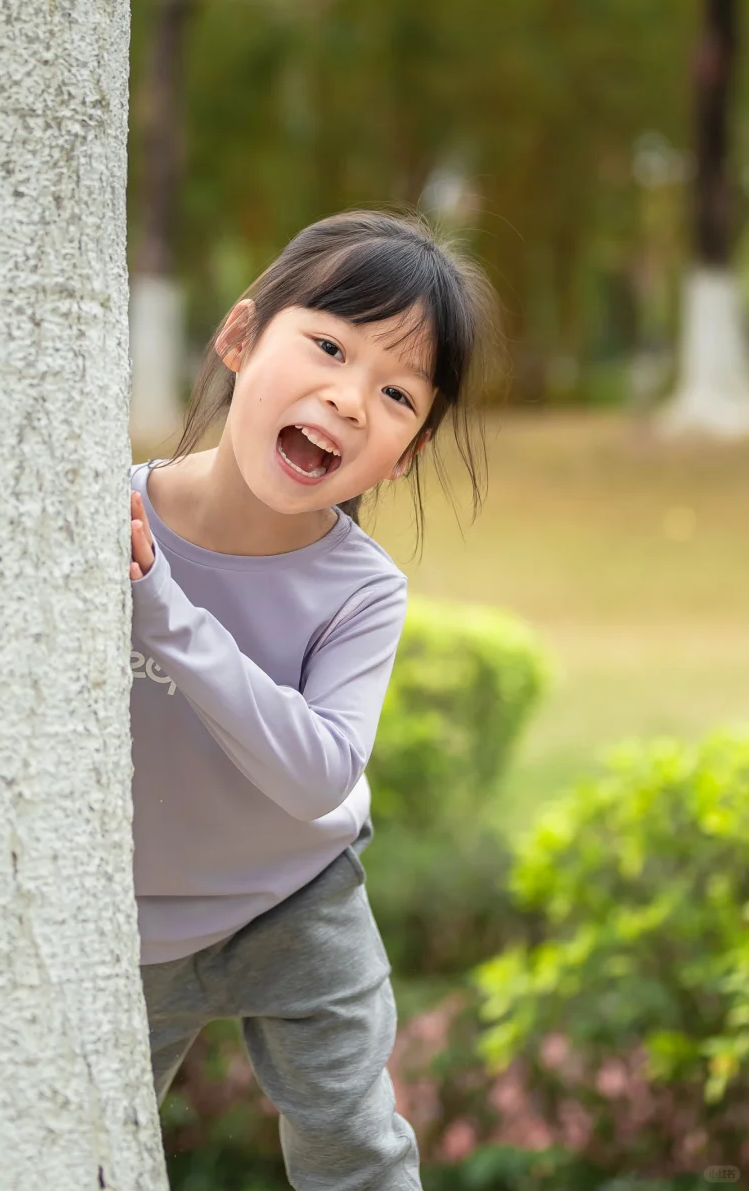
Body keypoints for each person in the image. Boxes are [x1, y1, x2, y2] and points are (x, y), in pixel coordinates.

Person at [128, 210, 499, 1190]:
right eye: (328, 346)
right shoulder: (106, 518)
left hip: (298, 896)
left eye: (396, 393)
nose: (346, 397)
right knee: (86, 1139)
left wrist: (162, 610)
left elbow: (321, 774)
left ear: (407, 452)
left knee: (351, 1144)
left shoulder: (360, 589)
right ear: (241, 338)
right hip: (129, 921)